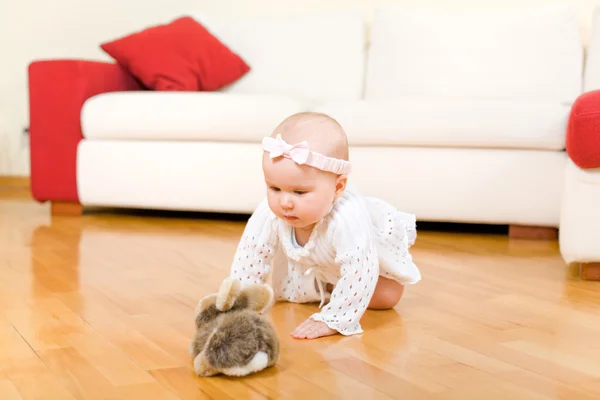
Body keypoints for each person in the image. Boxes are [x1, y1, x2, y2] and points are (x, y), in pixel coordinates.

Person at [228, 112, 421, 340]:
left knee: (386, 297)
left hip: (364, 261)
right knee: (292, 290)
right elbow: (251, 256)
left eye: (299, 192)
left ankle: (337, 289)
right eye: (274, 188)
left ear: (338, 188)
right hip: (319, 261)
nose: (285, 202)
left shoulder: (347, 217)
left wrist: (334, 318)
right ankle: (329, 286)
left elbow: (361, 267)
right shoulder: (270, 211)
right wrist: (238, 305)